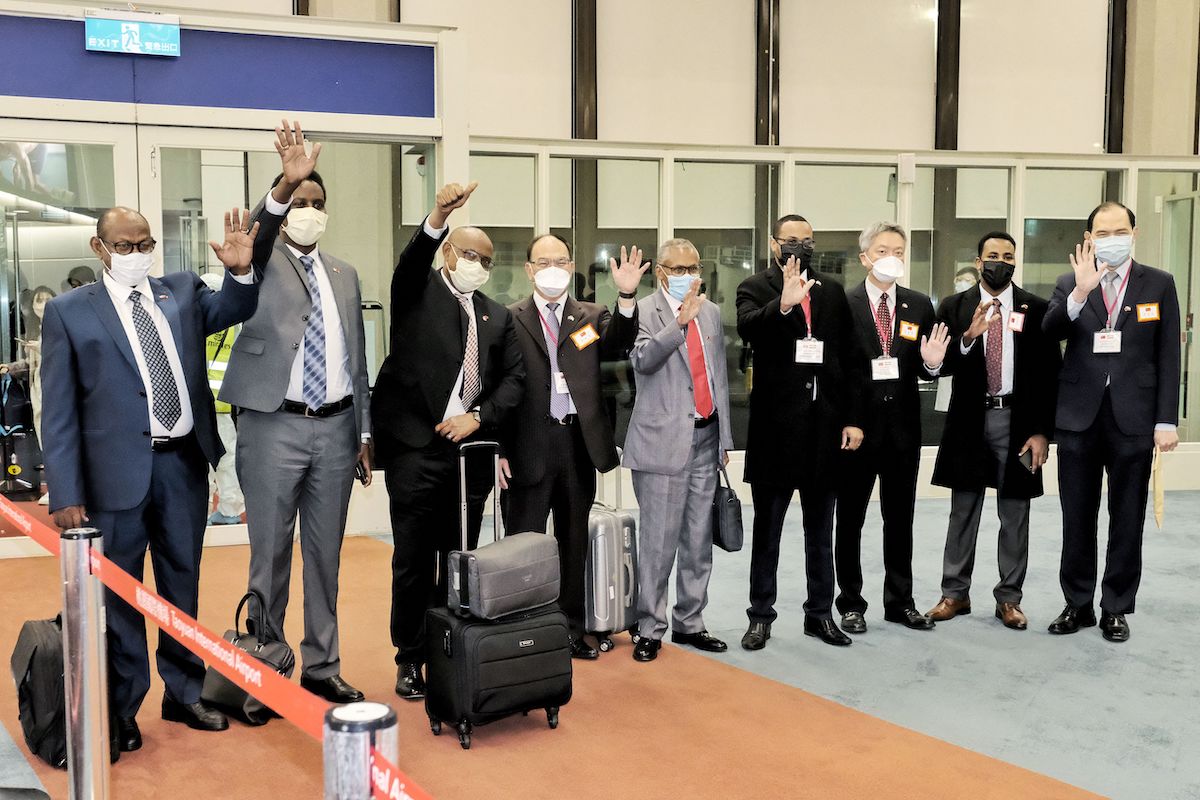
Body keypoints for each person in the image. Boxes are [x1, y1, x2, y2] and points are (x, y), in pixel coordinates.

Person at [40, 204, 260, 753]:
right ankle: (123, 703)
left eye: (144, 245)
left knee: (181, 581)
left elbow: (235, 307)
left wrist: (238, 271)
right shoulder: (70, 312)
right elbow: (60, 411)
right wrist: (65, 490)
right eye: (124, 245)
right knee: (120, 594)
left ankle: (183, 693)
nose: (137, 255)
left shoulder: (180, 292)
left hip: (181, 464)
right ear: (100, 249)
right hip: (113, 477)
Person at [221, 121, 371, 704]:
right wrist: (283, 187)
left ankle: (321, 663)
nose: (309, 210)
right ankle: (263, 664)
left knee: (325, 555)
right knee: (271, 554)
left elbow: (357, 356)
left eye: (316, 202)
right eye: (300, 202)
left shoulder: (345, 273)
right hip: (272, 424)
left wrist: (362, 430)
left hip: (335, 428)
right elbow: (257, 235)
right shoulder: (257, 260)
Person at [372, 180, 525, 700]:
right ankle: (410, 657)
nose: (476, 264)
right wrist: (438, 213)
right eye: (467, 254)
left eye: (485, 258)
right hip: (416, 450)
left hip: (467, 457)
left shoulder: (496, 315)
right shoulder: (416, 289)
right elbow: (412, 260)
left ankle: (448, 646)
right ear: (447, 251)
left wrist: (478, 418)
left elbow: (513, 381)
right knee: (414, 560)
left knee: (459, 557)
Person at [1042, 202, 1181, 643]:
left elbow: (1167, 357)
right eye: (1102, 233)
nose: (1111, 238)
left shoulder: (1158, 283)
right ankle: (1078, 602)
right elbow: (1050, 333)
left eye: (1119, 230)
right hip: (1079, 417)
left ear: (1134, 234)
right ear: (1089, 239)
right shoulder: (1069, 282)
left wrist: (1166, 419)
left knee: (1127, 516)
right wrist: (1080, 294)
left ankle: (1116, 606)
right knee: (1076, 515)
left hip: (1134, 418)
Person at [499, 234, 642, 659]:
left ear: (571, 264)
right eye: (543, 261)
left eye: (560, 260)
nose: (552, 267)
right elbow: (501, 389)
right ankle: (523, 631)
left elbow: (618, 348)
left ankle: (571, 629)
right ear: (529, 269)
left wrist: (628, 296)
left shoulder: (592, 316)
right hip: (528, 445)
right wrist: (499, 449)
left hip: (577, 444)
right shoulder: (509, 319)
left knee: (573, 541)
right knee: (523, 543)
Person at [736, 214, 866, 650]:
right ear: (775, 245)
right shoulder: (755, 287)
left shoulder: (831, 291)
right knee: (767, 531)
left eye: (807, 241)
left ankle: (819, 614)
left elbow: (849, 358)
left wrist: (851, 418)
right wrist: (786, 304)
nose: (800, 248)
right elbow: (749, 328)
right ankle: (760, 616)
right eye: (792, 241)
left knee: (819, 531)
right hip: (776, 431)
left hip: (824, 430)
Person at [926, 232, 1061, 630]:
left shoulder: (1035, 309)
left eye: (1007, 256)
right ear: (978, 260)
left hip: (1017, 422)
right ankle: (954, 593)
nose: (999, 261)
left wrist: (1042, 432)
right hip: (970, 419)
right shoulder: (955, 306)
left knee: (1015, 512)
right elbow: (939, 362)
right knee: (963, 510)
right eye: (992, 255)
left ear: (1015, 262)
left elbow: (1049, 375)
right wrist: (968, 337)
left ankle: (1009, 599)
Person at [834, 223, 949, 634]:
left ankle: (900, 601)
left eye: (899, 250)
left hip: (903, 430)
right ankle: (850, 602)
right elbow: (837, 370)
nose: (892, 256)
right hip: (856, 431)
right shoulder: (843, 303)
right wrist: (849, 419)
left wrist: (933, 363)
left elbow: (922, 363)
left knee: (900, 518)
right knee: (850, 519)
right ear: (865, 256)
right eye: (883, 249)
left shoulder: (918, 305)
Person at [624, 238, 732, 662]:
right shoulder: (644, 310)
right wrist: (678, 325)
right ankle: (649, 627)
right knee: (658, 543)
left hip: (706, 439)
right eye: (677, 267)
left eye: (693, 266)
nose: (686, 274)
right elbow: (643, 360)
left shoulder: (712, 312)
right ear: (661, 272)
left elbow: (717, 376)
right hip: (660, 445)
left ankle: (691, 621)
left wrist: (724, 438)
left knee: (698, 540)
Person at [200, 271, 244, 526]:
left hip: (209, 403)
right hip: (223, 401)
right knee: (226, 457)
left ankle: (224, 509)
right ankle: (228, 507)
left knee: (211, 460)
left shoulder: (201, 320)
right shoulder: (233, 321)